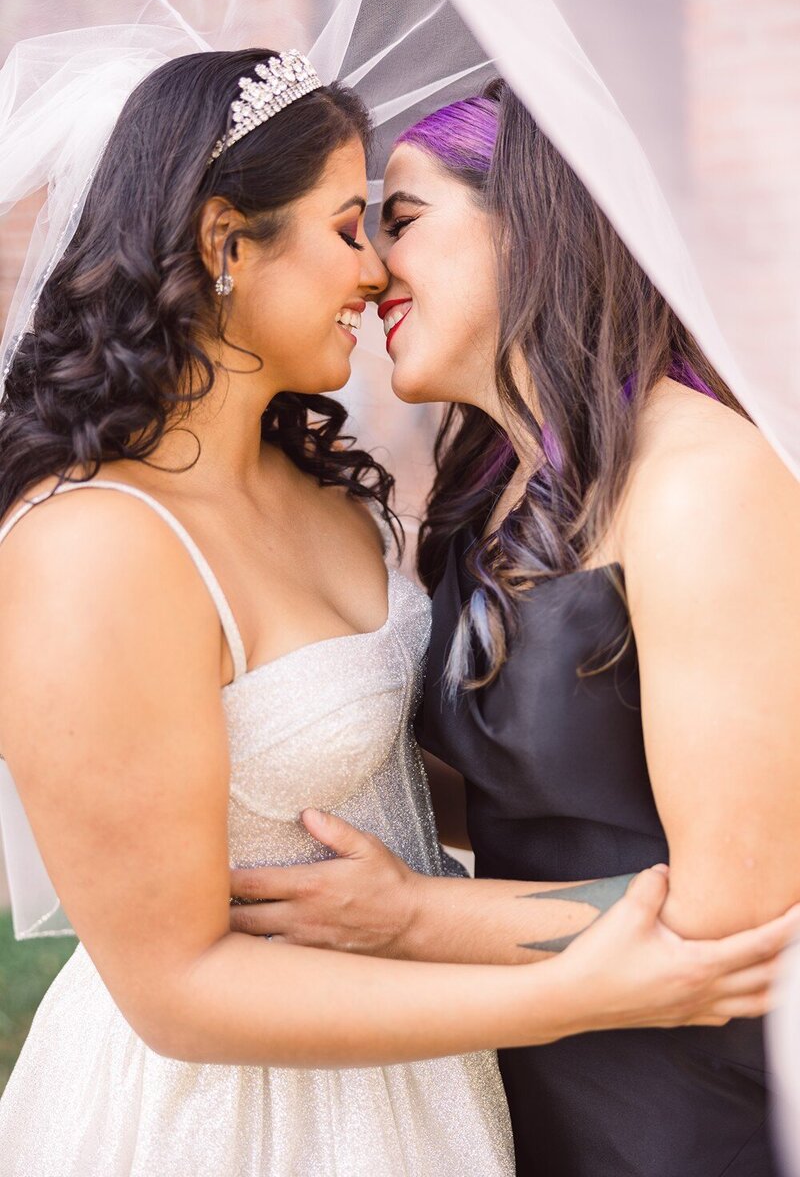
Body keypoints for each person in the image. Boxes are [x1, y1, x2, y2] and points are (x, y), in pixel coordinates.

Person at [229, 84, 800, 1176]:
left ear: (534, 214)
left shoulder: (703, 480)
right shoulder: (495, 482)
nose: (367, 271)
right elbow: (534, 783)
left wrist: (412, 920)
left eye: (397, 220)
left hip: (690, 1101)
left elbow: (744, 906)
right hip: (520, 1064)